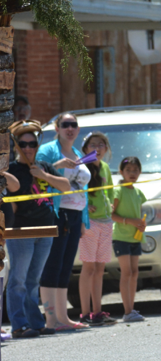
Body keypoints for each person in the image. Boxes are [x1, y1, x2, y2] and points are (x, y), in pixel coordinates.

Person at [5, 121, 70, 338]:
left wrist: (44, 176)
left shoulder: (44, 166)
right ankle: (19, 325)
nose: (28, 148)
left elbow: (66, 186)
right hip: (21, 230)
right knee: (18, 280)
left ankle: (35, 321)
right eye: (23, 144)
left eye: (32, 144)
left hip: (46, 229)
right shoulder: (12, 169)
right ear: (17, 146)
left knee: (33, 281)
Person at [37, 112, 92, 331]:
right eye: (65, 125)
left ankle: (63, 317)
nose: (70, 128)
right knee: (53, 264)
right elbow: (36, 176)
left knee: (66, 266)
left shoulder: (78, 153)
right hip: (56, 213)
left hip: (75, 215)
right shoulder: (48, 150)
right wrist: (57, 165)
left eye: (74, 125)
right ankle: (51, 319)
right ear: (57, 128)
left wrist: (83, 220)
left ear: (78, 129)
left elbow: (83, 188)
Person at [77, 132, 117, 326]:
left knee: (100, 268)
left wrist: (111, 204)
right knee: (89, 267)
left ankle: (97, 311)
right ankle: (85, 313)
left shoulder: (105, 167)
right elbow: (74, 192)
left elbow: (110, 191)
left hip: (106, 222)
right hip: (90, 223)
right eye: (93, 145)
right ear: (85, 149)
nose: (97, 148)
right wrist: (86, 206)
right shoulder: (81, 167)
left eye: (101, 144)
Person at [111, 156, 147, 323]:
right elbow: (111, 215)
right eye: (128, 170)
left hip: (135, 237)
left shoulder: (138, 193)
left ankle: (131, 309)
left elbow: (138, 214)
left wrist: (141, 224)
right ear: (121, 172)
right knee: (126, 272)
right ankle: (127, 311)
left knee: (134, 272)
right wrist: (130, 221)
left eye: (135, 170)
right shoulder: (118, 191)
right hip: (121, 237)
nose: (132, 173)